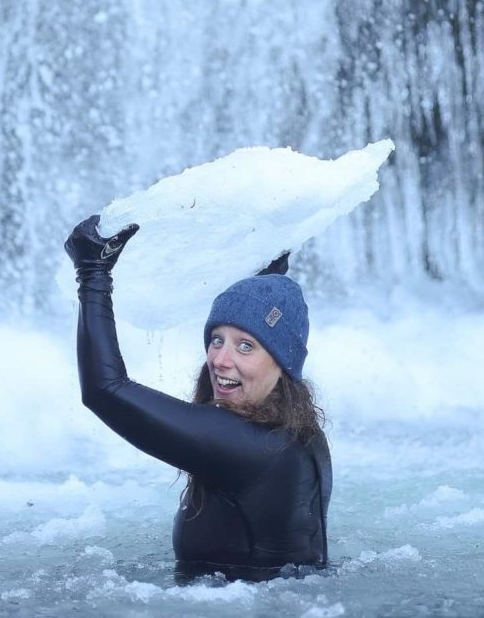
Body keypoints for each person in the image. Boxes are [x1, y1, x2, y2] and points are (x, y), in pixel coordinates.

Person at [64, 215, 332, 582]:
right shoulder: (297, 429)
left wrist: (92, 274)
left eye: (245, 346)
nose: (220, 359)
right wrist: (267, 277)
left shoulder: (250, 447)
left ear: (283, 363)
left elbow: (105, 389)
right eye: (217, 338)